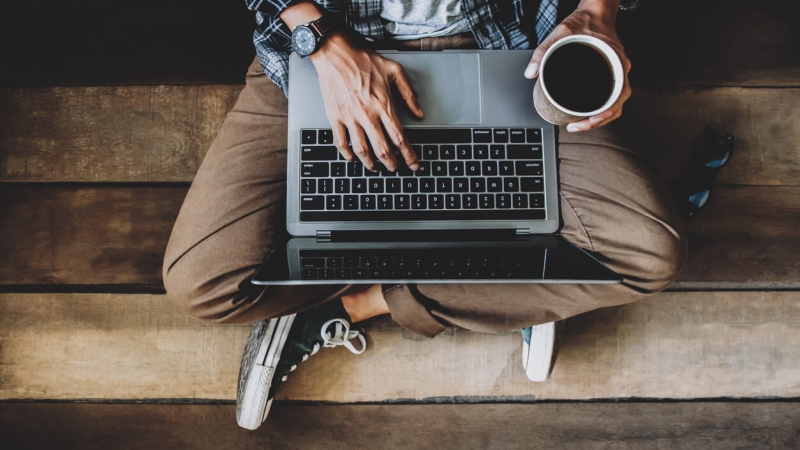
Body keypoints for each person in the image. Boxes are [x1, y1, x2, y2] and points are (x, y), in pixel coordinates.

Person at [162, 0, 686, 429]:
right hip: (329, 48)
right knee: (201, 283)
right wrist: (317, 35)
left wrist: (599, 11)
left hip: (510, 48)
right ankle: (518, 288)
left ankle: (361, 304)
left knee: (647, 255)